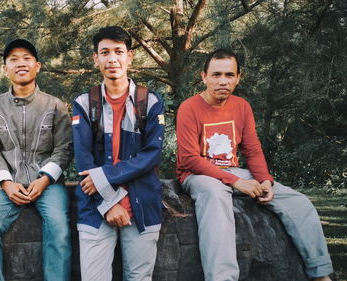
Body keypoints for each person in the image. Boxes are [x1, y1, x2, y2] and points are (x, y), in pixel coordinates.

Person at [176, 49, 333, 281]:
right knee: (215, 197)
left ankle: (320, 274)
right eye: (216, 74)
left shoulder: (242, 106)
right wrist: (238, 182)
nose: (223, 81)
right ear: (204, 77)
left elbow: (252, 149)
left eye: (229, 75)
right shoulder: (189, 108)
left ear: (238, 77)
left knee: (298, 202)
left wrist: (265, 181)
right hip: (198, 174)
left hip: (233, 171)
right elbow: (189, 158)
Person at [0, 38, 73, 281]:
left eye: (27, 58)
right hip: (8, 185)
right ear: (4, 68)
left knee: (59, 229)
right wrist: (6, 184)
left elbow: (64, 148)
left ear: (37, 66)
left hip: (48, 185)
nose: (21, 64)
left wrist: (45, 179)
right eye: (13, 59)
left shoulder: (55, 106)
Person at [71, 26, 165, 281]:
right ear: (96, 58)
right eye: (105, 52)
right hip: (95, 206)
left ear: (130, 56)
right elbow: (83, 160)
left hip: (142, 204)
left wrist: (105, 177)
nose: (112, 59)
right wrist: (110, 202)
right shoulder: (84, 103)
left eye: (118, 52)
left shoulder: (151, 102)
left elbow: (152, 155)